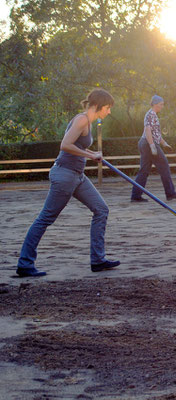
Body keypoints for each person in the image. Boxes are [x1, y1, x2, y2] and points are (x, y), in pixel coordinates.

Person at [16, 89, 120, 277]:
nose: (109, 112)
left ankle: (98, 260)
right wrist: (91, 154)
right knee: (45, 218)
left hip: (77, 176)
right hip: (64, 175)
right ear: (98, 106)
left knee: (101, 209)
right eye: (108, 108)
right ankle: (25, 263)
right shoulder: (81, 120)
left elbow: (76, 146)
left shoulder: (87, 121)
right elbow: (65, 145)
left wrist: (90, 155)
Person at [130, 95, 176, 202]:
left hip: (145, 143)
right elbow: (148, 130)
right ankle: (170, 193)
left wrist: (164, 144)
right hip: (148, 144)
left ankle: (135, 196)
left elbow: (156, 134)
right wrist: (152, 145)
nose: (162, 106)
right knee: (164, 166)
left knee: (144, 170)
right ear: (155, 104)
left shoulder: (153, 115)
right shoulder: (150, 115)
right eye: (161, 104)